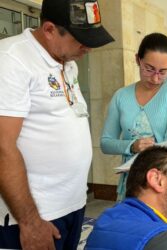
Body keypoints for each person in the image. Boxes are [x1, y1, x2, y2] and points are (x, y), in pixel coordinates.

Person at [0, 0, 114, 249]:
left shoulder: (67, 62)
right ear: (50, 29)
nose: (88, 49)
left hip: (72, 204)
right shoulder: (11, 59)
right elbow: (2, 146)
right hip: (33, 215)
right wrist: (30, 223)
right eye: (80, 40)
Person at [100, 32, 167, 201]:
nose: (156, 78)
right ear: (137, 60)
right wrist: (132, 146)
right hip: (133, 180)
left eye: (163, 71)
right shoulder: (121, 96)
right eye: (149, 69)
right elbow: (106, 143)